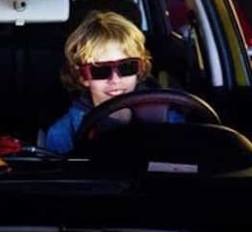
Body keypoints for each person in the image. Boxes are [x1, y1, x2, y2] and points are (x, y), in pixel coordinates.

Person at [43, 10, 175, 154]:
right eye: (100, 70)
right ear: (81, 76)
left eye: (126, 67)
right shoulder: (63, 133)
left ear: (140, 69)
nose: (115, 79)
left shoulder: (170, 118)